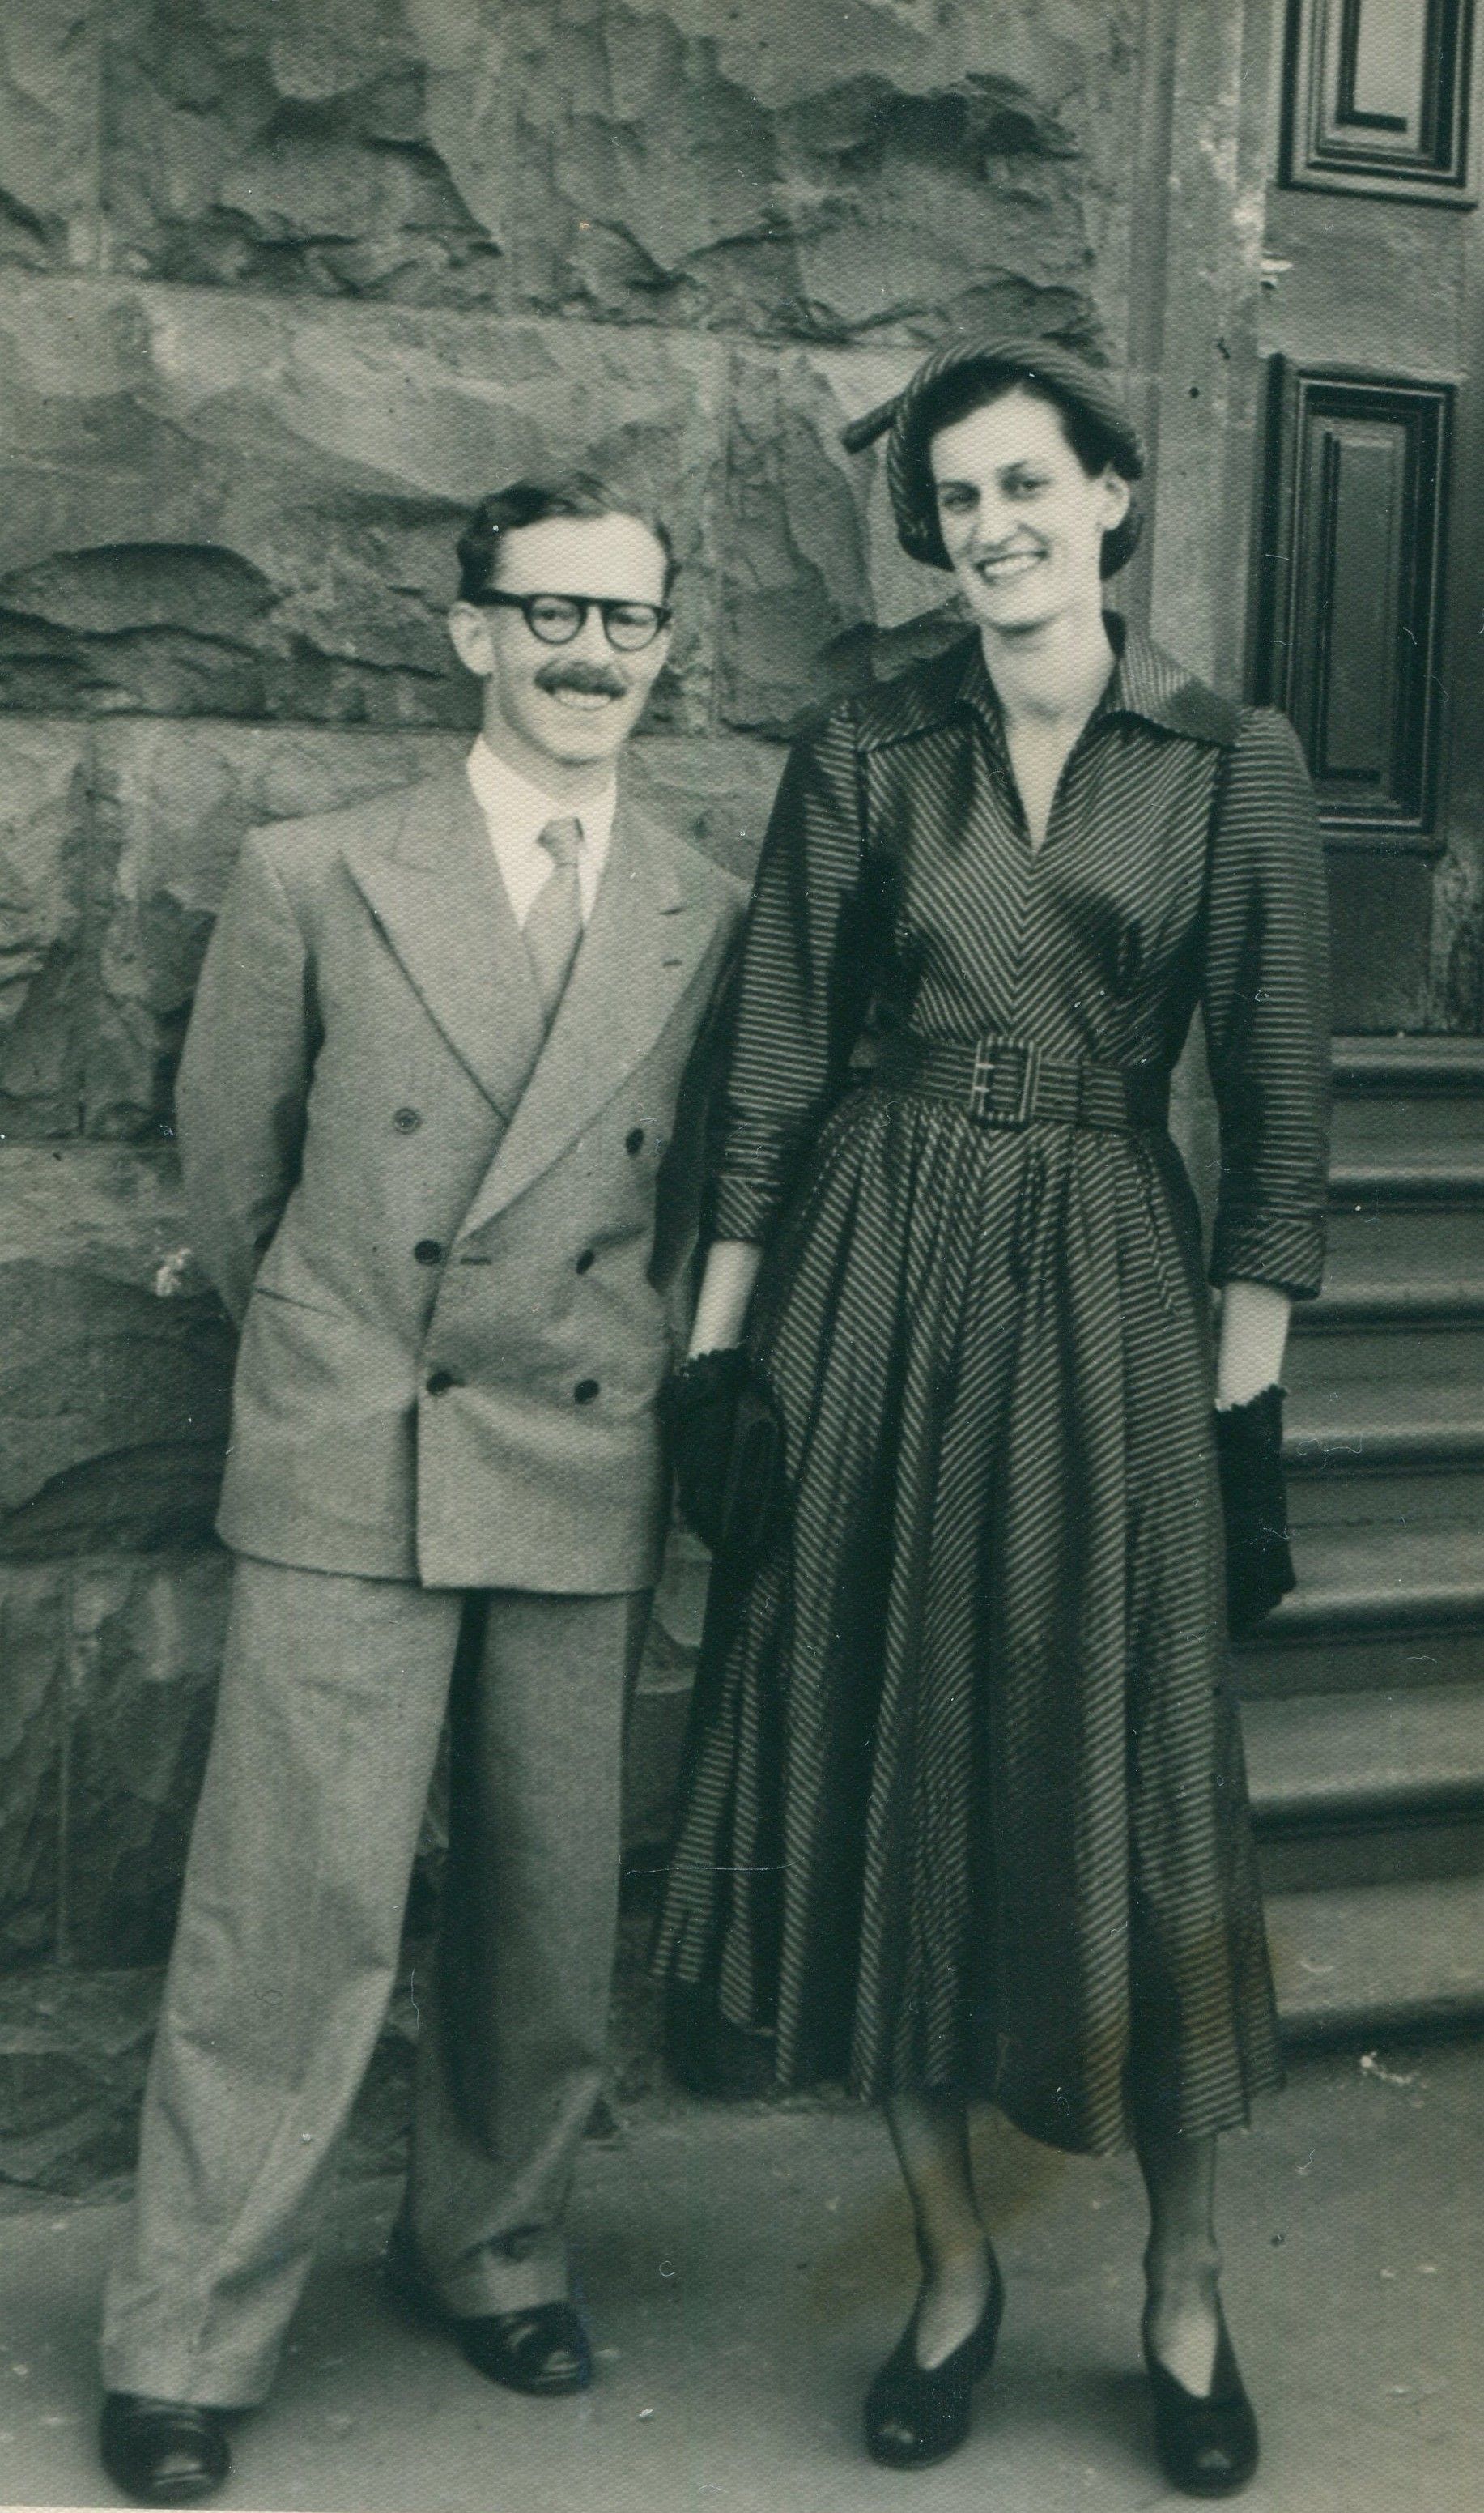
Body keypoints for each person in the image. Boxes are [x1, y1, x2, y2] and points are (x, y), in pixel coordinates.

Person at [656, 338, 1329, 2494]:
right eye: (955, 501)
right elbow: (773, 1058)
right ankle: (952, 2268)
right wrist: (717, 1355)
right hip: (874, 1278)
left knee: (1133, 1777)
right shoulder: (869, 739)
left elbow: (1287, 1120)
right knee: (878, 1744)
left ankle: (1185, 2287)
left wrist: (1244, 1421)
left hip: (1111, 1286)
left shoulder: (1227, 755)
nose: (991, 530)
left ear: (1114, 498)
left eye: (1027, 485)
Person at [98, 476, 744, 2506]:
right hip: (354, 1442)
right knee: (289, 1920)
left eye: (624, 623)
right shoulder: (314, 871)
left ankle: (491, 2242)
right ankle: (187, 2331)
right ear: (466, 631)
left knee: (549, 1912)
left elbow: (707, 1177)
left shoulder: (702, 904)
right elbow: (240, 1178)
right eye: (545, 613)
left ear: (661, 649)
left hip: (577, 1440)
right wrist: (338, 1364)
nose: (585, 654)